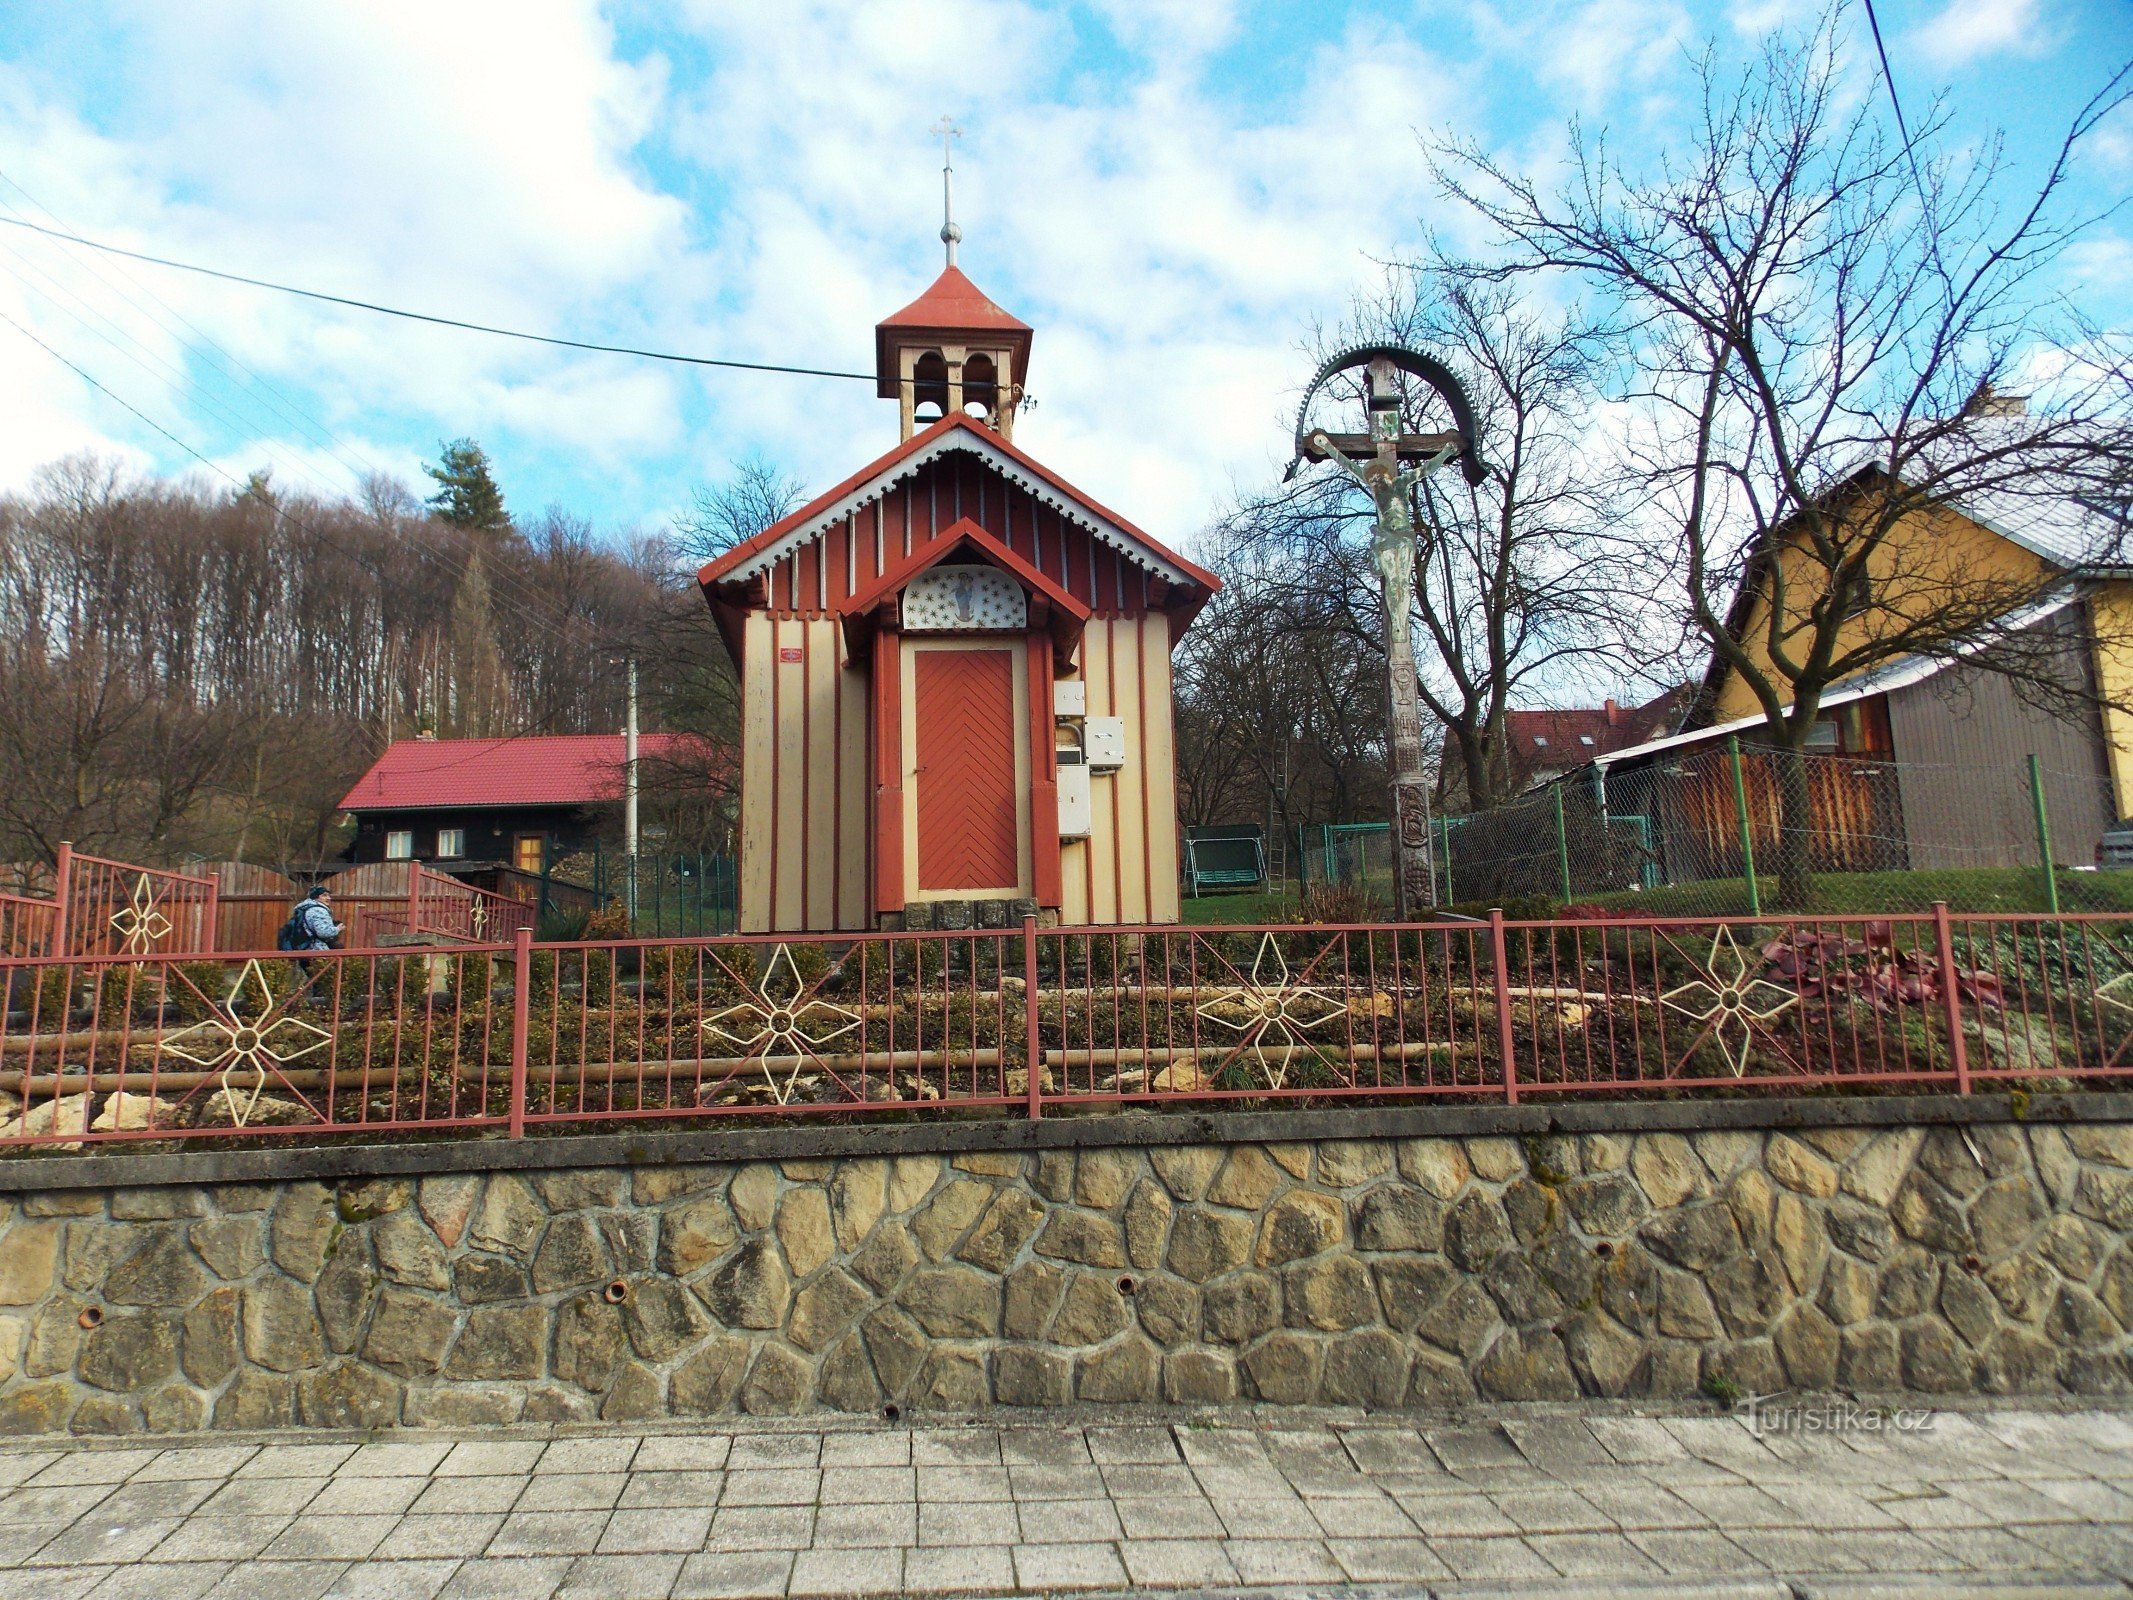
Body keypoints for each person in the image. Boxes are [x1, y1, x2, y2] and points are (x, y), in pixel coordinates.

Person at [280, 886, 343, 995]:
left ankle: (314, 1004)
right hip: (317, 950)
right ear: (315, 897)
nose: (328, 898)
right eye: (324, 895)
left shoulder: (304, 909)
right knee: (325, 981)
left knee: (316, 980)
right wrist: (337, 929)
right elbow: (323, 932)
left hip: (304, 949)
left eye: (329, 895)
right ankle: (322, 1006)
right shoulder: (318, 910)